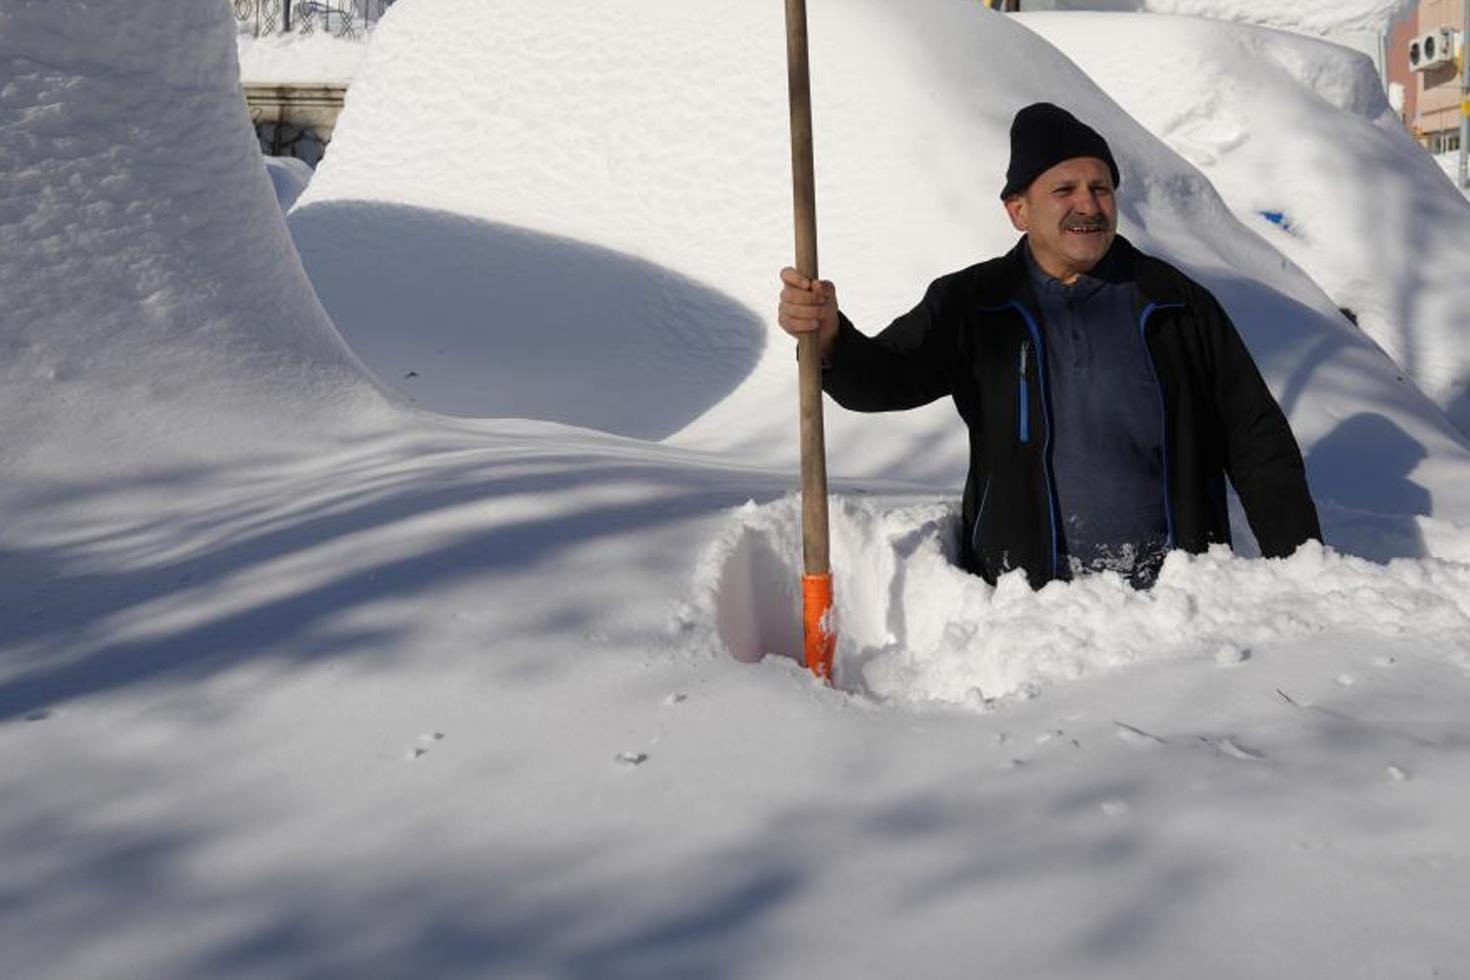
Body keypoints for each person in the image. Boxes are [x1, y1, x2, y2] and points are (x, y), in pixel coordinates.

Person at [777, 102, 1320, 588]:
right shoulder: (977, 304)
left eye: (1101, 188)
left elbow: (1256, 438)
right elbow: (882, 380)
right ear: (1018, 210)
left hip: (1177, 602)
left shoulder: (1174, 304)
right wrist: (831, 341)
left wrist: (1302, 567)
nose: (1088, 205)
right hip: (1027, 607)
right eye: (1064, 190)